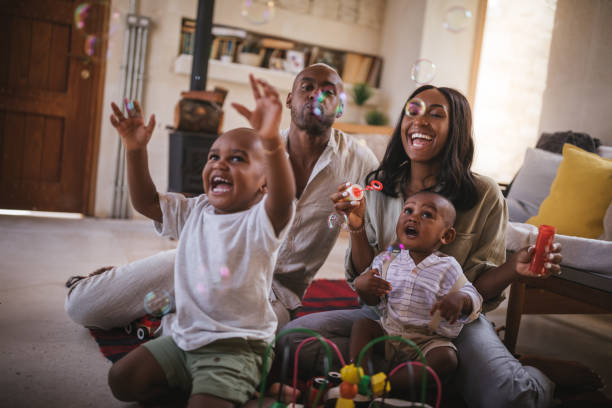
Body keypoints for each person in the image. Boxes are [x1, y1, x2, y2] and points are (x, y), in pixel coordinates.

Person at [280, 85, 565, 408]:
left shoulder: (484, 194)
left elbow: (480, 289)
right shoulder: (379, 185)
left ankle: (535, 377)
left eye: (436, 114)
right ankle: (427, 375)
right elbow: (366, 274)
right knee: (292, 338)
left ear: (455, 128)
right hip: (386, 317)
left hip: (452, 330)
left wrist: (513, 269)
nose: (420, 121)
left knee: (510, 398)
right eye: (412, 112)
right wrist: (356, 226)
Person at [64, 64, 378, 334]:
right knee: (83, 307)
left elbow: (377, 228)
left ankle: (172, 315)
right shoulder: (254, 148)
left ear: (340, 108)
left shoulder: (361, 161)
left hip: (273, 293)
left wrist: (359, 219)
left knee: (235, 346)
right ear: (289, 99)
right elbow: (150, 203)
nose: (315, 95)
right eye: (306, 87)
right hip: (206, 262)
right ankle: (105, 283)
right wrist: (135, 150)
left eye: (328, 91)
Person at [105, 76, 296, 406]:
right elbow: (147, 203)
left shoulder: (262, 220)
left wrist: (271, 143)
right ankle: (237, 392)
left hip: (236, 345)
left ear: (264, 183)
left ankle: (247, 385)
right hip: (185, 337)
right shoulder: (197, 209)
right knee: (121, 381)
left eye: (237, 158)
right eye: (213, 156)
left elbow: (284, 199)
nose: (220, 163)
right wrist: (135, 151)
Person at [349, 191, 482, 390]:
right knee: (362, 326)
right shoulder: (390, 256)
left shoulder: (447, 266)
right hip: (389, 332)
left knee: (447, 358)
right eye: (408, 210)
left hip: (428, 341)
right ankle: (360, 376)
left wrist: (460, 299)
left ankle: (386, 385)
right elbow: (371, 298)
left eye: (427, 214)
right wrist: (362, 285)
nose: (413, 217)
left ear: (446, 235)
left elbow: (475, 297)